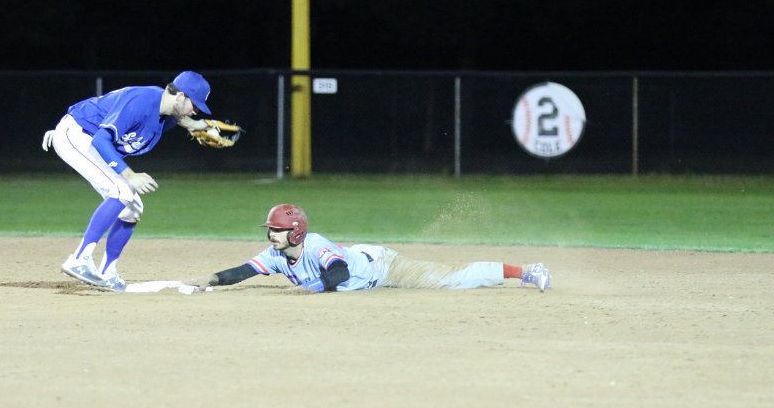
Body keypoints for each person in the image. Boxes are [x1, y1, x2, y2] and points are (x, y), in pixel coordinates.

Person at [42, 71, 215, 292]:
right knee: (122, 189)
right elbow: (101, 139)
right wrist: (131, 175)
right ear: (180, 96)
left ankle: (107, 272)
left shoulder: (164, 114)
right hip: (79, 134)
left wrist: (198, 125)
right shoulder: (142, 101)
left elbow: (180, 118)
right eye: (195, 105)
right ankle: (79, 259)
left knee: (133, 209)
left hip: (87, 138)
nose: (195, 111)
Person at [184, 203, 551, 293]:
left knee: (452, 280)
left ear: (296, 233)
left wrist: (311, 288)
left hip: (382, 266)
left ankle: (526, 271)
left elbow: (339, 273)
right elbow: (242, 272)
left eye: (277, 231)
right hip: (359, 257)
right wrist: (210, 279)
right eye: (270, 230)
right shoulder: (275, 256)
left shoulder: (315, 245)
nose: (271, 236)